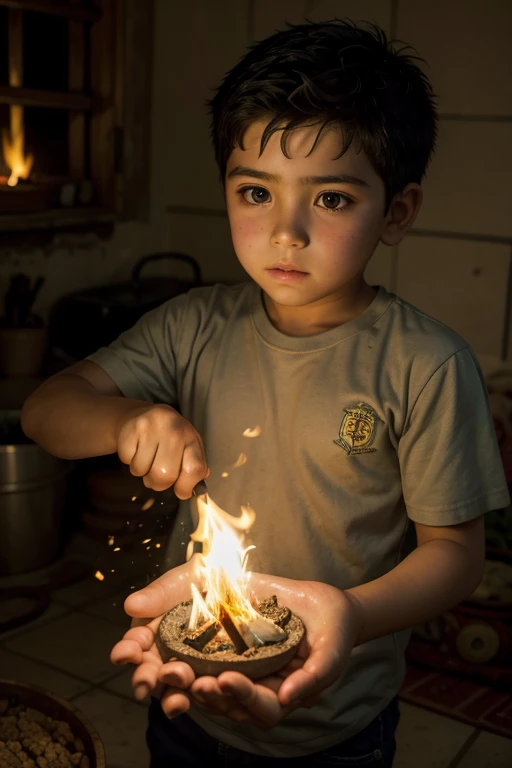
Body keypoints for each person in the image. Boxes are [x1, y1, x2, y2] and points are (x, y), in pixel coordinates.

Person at [21, 18, 509, 768]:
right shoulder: (192, 325)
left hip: (337, 723)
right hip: (190, 699)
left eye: (333, 200)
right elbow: (46, 410)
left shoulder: (427, 364)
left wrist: (348, 612)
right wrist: (125, 420)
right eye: (256, 191)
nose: (286, 232)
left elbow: (456, 556)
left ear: (397, 212)